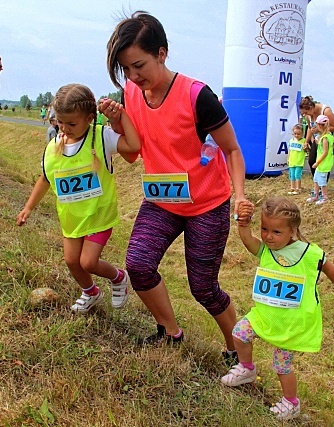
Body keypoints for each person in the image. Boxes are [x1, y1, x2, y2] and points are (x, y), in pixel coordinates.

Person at [103, 11, 247, 364]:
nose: (134, 77)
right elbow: (134, 152)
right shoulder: (132, 96)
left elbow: (231, 149)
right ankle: (170, 332)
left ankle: (237, 350)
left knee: (203, 288)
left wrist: (240, 195)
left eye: (139, 66)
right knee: (138, 265)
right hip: (161, 199)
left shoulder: (198, 96)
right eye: (126, 70)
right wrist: (117, 122)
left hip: (206, 204)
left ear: (162, 53)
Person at [221, 197, 334, 420]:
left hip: (292, 323)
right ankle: (246, 368)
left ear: (292, 231)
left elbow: (328, 268)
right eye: (264, 229)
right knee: (239, 333)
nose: (268, 236)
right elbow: (247, 240)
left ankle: (291, 403)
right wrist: (243, 223)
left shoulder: (310, 253)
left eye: (276, 232)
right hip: (265, 315)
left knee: (282, 366)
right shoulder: (265, 250)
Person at [16, 84, 141, 313]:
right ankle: (91, 292)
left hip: (98, 214)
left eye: (72, 123)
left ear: (90, 118)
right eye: (60, 122)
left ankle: (119, 278)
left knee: (88, 262)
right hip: (72, 217)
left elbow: (133, 145)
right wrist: (28, 208)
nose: (65, 128)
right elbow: (45, 178)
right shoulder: (54, 146)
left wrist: (121, 116)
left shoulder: (102, 137)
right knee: (72, 261)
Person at [299, 96, 334, 178]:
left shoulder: (325, 111)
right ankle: (316, 183)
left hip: (330, 139)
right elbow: (310, 128)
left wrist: (319, 129)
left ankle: (322, 185)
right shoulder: (308, 116)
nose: (305, 115)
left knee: (323, 161)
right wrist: (306, 141)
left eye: (306, 112)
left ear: (311, 108)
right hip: (318, 139)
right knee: (311, 160)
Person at [306, 115, 334, 205]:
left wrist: (317, 162)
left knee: (322, 182)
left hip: (323, 164)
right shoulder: (325, 136)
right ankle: (316, 195)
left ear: (320, 125)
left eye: (317, 124)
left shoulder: (325, 138)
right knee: (316, 179)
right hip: (321, 164)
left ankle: (324, 197)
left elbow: (325, 152)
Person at [287, 124, 306, 195]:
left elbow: (307, 150)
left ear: (302, 134)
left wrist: (306, 148)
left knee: (297, 175)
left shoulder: (304, 141)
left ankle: (298, 188)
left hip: (299, 162)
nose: (296, 135)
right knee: (291, 175)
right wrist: (288, 158)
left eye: (298, 134)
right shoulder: (291, 141)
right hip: (292, 161)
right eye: (295, 134)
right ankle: (292, 187)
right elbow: (290, 151)